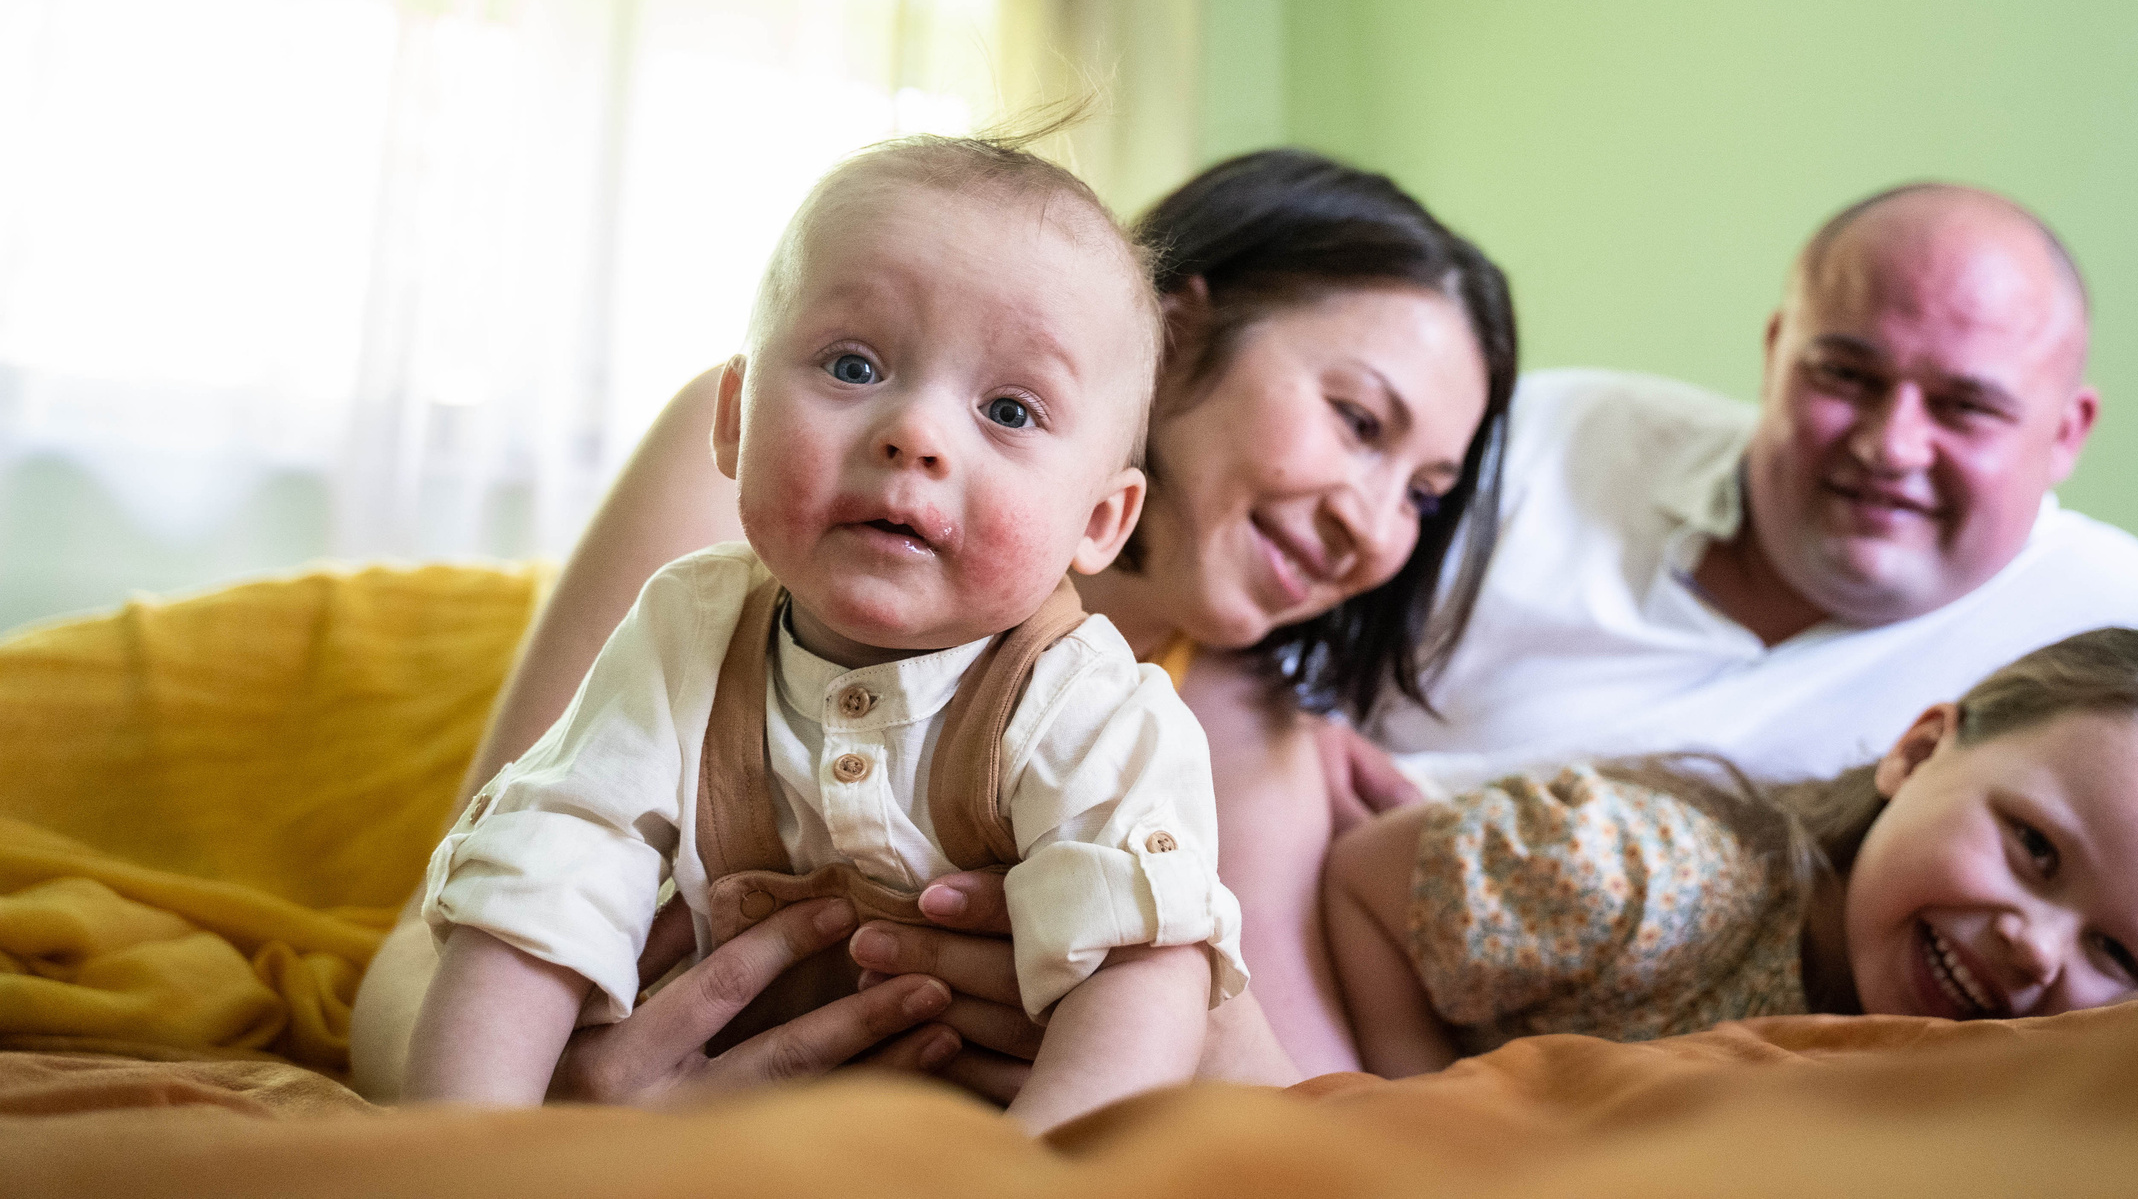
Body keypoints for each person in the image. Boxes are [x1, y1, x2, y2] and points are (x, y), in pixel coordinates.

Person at [348, 147, 1517, 1101]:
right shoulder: (757, 517)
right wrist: (549, 1103)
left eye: (1424, 492)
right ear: (1182, 336)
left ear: (1107, 510)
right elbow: (459, 923)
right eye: (1359, 422)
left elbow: (1281, 1097)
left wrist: (1131, 1037)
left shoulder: (1226, 715)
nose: (1373, 527)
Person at [1369, 182, 2138, 797]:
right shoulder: (1545, 443)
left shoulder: (2116, 631)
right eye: (1846, 374)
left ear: (2067, 431)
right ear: (1775, 353)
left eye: (1965, 406)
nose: (1892, 445)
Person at [1322, 629, 2138, 1076]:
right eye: (2031, 849)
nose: (2033, 945)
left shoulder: (2020, 1063)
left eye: (2116, 949)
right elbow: (1367, 880)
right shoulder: (1637, 877)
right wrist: (1426, 1097)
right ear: (1919, 751)